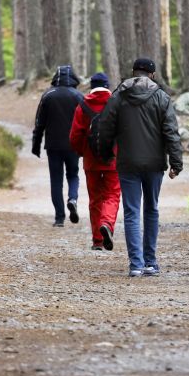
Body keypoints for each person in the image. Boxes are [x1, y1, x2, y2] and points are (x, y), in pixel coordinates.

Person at [98, 58, 183, 277]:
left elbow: (105, 126)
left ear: (134, 72)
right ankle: (151, 262)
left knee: (132, 212)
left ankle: (135, 264)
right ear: (152, 75)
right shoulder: (162, 97)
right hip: (154, 164)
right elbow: (171, 132)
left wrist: (106, 153)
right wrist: (176, 162)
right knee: (151, 209)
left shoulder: (119, 96)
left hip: (127, 163)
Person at [69, 72, 121, 251]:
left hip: (91, 160)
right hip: (113, 159)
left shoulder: (83, 105)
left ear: (92, 85)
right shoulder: (116, 103)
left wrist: (81, 152)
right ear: (107, 85)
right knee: (112, 194)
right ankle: (107, 223)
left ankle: (98, 240)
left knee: (95, 198)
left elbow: (75, 136)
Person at [32, 64, 84, 227]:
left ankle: (59, 218)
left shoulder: (48, 95)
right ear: (73, 78)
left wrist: (36, 144)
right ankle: (73, 198)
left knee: (56, 180)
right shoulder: (78, 96)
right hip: (73, 146)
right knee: (73, 175)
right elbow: (85, 123)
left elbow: (39, 123)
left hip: (53, 146)